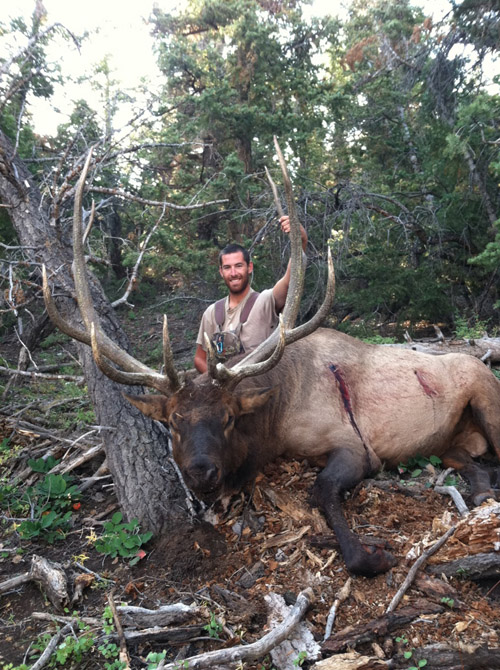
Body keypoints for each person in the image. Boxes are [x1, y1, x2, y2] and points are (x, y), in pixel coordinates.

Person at [194, 216, 308, 373]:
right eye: (227, 267)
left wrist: (301, 242)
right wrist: (217, 380)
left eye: (238, 266)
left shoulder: (265, 301)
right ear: (221, 272)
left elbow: (289, 281)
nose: (233, 273)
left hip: (264, 385)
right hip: (226, 388)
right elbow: (199, 358)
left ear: (249, 267)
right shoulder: (211, 313)